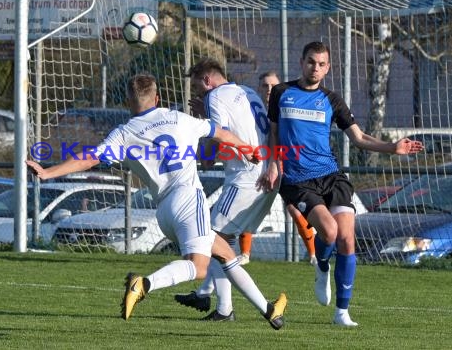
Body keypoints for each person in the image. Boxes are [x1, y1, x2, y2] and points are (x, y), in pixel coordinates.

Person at [26, 74, 287, 328]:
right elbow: (219, 133)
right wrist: (247, 148)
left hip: (163, 211)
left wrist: (48, 172)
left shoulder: (124, 133)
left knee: (225, 252)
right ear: (158, 98)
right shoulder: (178, 118)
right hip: (188, 199)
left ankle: (269, 311)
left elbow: (89, 157)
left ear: (129, 102)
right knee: (198, 268)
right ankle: (144, 284)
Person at [258, 41, 424, 327]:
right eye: (311, 62)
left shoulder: (332, 100)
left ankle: (341, 313)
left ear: (328, 67)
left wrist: (391, 146)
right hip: (298, 180)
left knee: (347, 239)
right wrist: (272, 164)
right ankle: (322, 267)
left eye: (322, 64)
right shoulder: (282, 93)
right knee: (330, 231)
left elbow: (358, 137)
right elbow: (273, 133)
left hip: (331, 176)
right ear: (301, 61)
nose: (316, 68)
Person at [174, 58, 279, 321]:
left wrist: (204, 151)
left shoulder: (214, 97)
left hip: (247, 177)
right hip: (268, 175)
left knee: (208, 237)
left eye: (198, 85)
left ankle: (224, 309)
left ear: (208, 80)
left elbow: (217, 138)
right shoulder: (248, 92)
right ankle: (207, 294)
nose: (198, 91)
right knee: (225, 240)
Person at [239, 70, 317, 266]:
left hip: (285, 165)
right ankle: (245, 254)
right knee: (248, 206)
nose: (269, 89)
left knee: (295, 209)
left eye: (273, 86)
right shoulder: (251, 111)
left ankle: (314, 255)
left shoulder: (287, 110)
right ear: (258, 89)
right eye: (265, 86)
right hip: (258, 165)